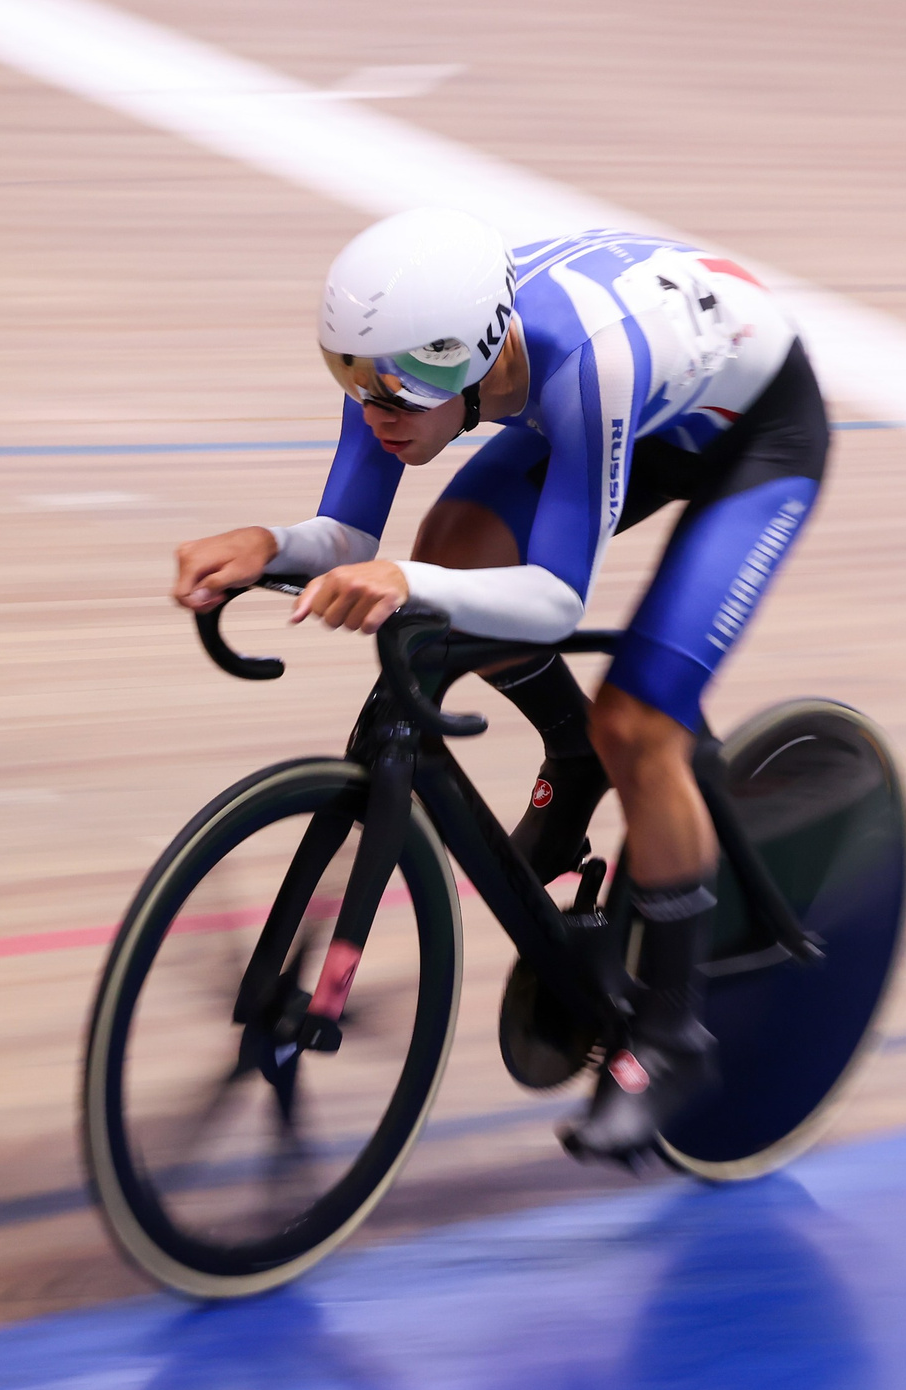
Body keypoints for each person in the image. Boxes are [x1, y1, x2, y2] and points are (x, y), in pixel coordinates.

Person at [170, 206, 828, 1167]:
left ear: (472, 356)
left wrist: (405, 582)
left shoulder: (580, 363)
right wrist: (265, 545)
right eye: (350, 379)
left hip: (752, 439)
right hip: (630, 409)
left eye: (395, 389)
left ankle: (673, 1037)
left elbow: (558, 602)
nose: (374, 409)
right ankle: (572, 752)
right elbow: (351, 538)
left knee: (639, 722)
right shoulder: (402, 355)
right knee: (451, 554)